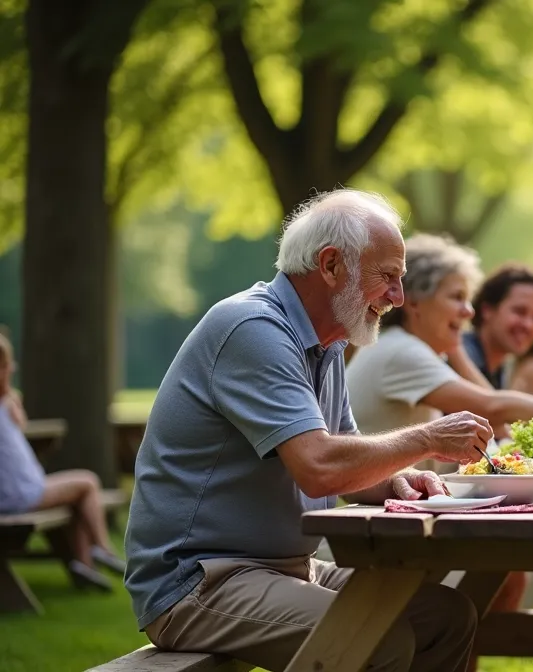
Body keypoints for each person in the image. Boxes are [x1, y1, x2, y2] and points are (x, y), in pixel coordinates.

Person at [124, 190, 491, 672]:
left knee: (445, 616)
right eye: (388, 277)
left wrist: (398, 478)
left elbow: (347, 461)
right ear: (332, 265)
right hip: (198, 582)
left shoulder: (327, 343)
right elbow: (319, 468)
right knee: (379, 643)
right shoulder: (253, 328)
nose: (398, 298)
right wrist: (424, 440)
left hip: (286, 569)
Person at [347, 233, 533, 474]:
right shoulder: (402, 351)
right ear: (414, 302)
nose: (469, 312)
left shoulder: (414, 348)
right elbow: (491, 407)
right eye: (457, 297)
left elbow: (492, 412)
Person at [0, 331, 126, 592]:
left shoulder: (6, 405)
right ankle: (102, 548)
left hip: (14, 494)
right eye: (7, 368)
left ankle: (83, 565)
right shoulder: (6, 404)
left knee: (75, 499)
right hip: (21, 496)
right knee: (88, 483)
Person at [464, 263, 533, 390]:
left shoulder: (501, 371)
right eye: (520, 311)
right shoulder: (459, 357)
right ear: (487, 310)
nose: (529, 325)